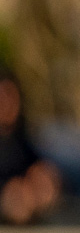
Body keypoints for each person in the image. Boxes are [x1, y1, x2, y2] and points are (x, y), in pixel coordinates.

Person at [0, 69, 59, 224]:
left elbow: (33, 163)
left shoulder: (20, 137)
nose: (8, 103)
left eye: (11, 96)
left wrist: (40, 175)